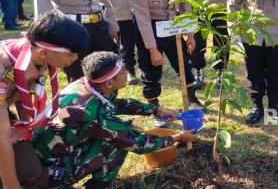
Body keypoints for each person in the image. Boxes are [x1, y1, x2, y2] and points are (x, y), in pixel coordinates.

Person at [32, 51, 197, 188]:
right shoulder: (89, 113)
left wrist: (156, 109)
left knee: (117, 137)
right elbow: (138, 143)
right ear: (109, 83)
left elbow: (116, 104)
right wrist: (179, 137)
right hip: (48, 171)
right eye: (124, 71)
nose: (127, 74)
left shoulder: (88, 85)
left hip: (53, 151)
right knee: (119, 144)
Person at [0, 11, 91, 189]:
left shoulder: (34, 55)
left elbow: (21, 93)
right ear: (44, 52)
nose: (75, 60)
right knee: (20, 176)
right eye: (71, 54)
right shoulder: (2, 68)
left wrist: (23, 129)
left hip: (5, 113)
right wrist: (11, 184)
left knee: (32, 172)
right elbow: (1, 137)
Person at [131, 0, 204, 127]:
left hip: (173, 27)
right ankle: (154, 109)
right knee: (151, 71)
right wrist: (154, 50)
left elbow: (186, 8)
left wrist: (191, 36)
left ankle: (191, 98)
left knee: (184, 65)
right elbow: (143, 20)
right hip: (150, 29)